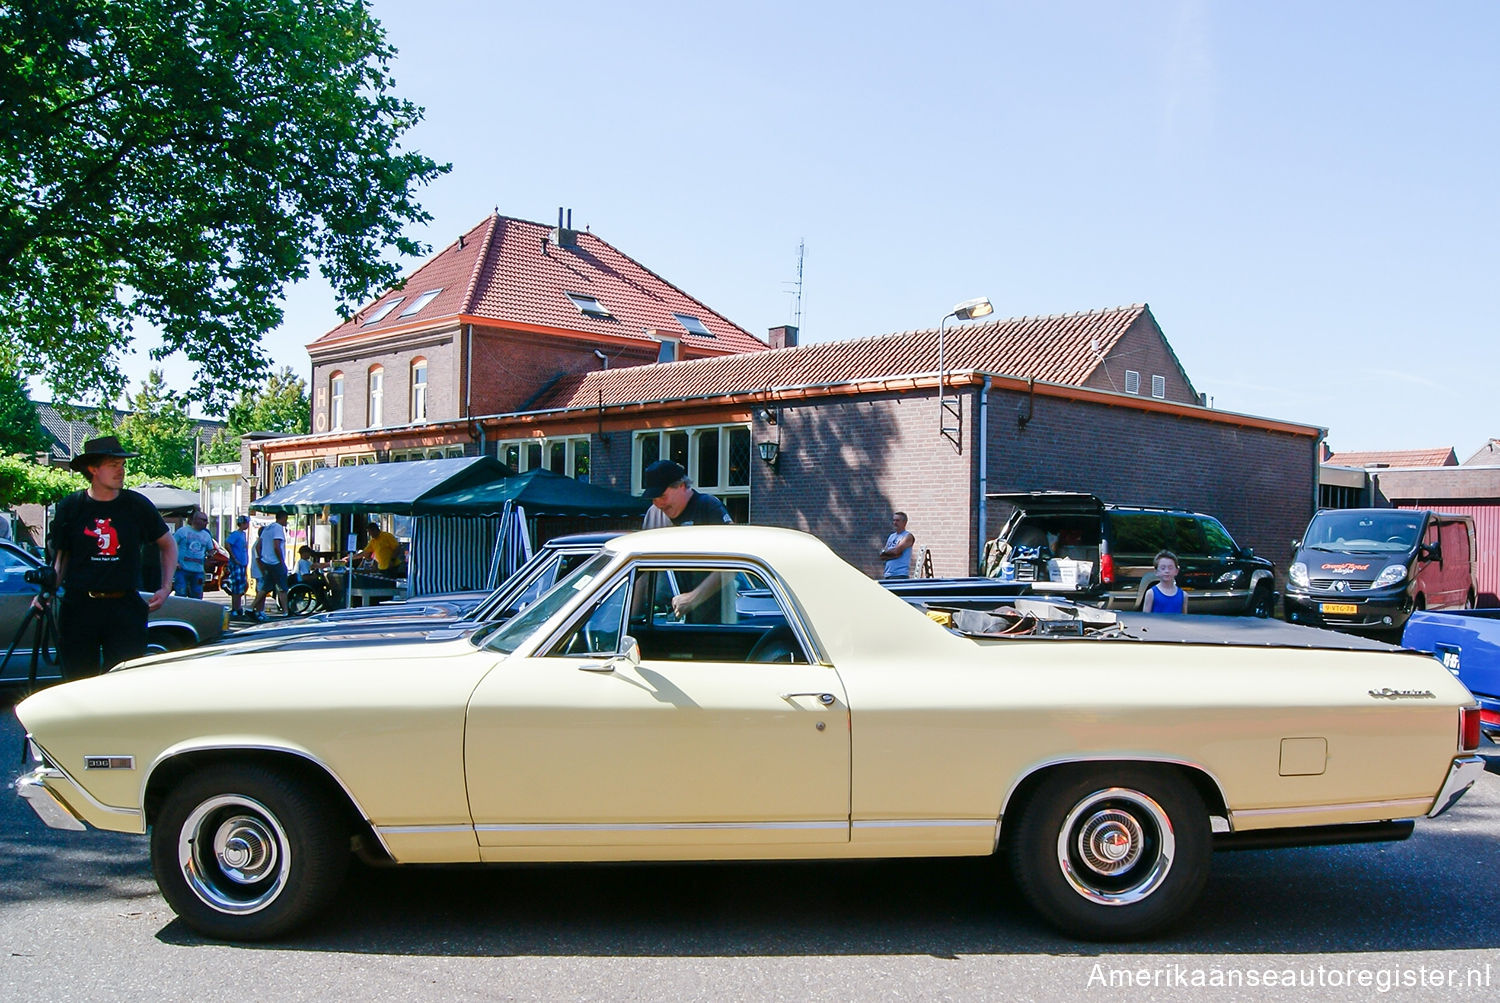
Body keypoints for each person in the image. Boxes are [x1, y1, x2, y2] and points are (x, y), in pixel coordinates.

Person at [45, 436, 177, 680]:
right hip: (79, 607)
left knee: (125, 680)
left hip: (124, 606)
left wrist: (165, 586)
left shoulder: (136, 505)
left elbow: (168, 544)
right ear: (93, 469)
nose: (121, 471)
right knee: (77, 680)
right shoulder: (71, 507)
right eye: (113, 465)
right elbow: (61, 557)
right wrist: (46, 591)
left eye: (122, 465)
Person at [640, 460, 732, 617]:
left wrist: (693, 598)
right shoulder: (653, 514)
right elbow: (641, 572)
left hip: (710, 621)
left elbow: (732, 563)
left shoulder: (709, 507)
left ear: (681, 486)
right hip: (661, 619)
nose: (659, 504)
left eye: (662, 496)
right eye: (653, 499)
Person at [250, 511, 289, 620]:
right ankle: (286, 611)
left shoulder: (267, 528)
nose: (286, 522)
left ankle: (251, 607)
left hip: (266, 561)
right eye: (286, 519)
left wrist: (262, 558)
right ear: (283, 518)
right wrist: (281, 561)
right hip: (275, 562)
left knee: (266, 586)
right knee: (282, 587)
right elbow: (276, 546)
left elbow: (258, 547)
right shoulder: (278, 528)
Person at [171, 509, 216, 599]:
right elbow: (171, 545)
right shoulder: (182, 531)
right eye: (203, 520)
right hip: (182, 569)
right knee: (181, 593)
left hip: (198, 570)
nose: (206, 523)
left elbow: (211, 550)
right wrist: (175, 562)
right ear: (195, 520)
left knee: (197, 595)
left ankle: (194, 612)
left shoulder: (206, 535)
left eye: (206, 521)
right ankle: (180, 612)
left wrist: (209, 558)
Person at [1143, 549, 1187, 614]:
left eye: (1170, 568)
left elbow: (1184, 619)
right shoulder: (1151, 593)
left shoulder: (1183, 595)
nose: (1167, 571)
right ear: (1156, 572)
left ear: (1176, 571)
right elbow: (1145, 619)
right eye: (1163, 568)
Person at [224, 515, 250, 618]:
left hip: (242, 563)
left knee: (241, 586)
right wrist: (233, 557)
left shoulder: (243, 535)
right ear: (242, 523)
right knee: (236, 586)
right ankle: (235, 607)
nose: (247, 525)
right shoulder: (236, 534)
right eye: (246, 523)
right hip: (237, 563)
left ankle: (238, 607)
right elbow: (227, 544)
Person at [879, 511, 916, 579]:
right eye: (894, 520)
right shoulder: (891, 536)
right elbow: (882, 556)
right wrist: (891, 554)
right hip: (888, 574)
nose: (895, 523)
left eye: (898, 520)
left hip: (899, 575)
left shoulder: (907, 536)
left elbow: (896, 551)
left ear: (904, 522)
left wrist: (886, 552)